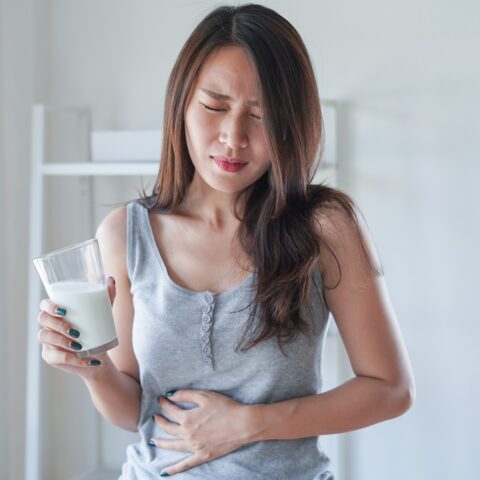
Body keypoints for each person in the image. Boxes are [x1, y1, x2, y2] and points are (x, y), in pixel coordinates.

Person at [36, 4, 415, 479]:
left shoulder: (325, 226)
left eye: (261, 116)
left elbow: (390, 389)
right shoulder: (124, 234)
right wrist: (92, 369)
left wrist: (250, 424)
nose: (233, 137)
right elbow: (135, 411)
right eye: (215, 106)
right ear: (181, 104)